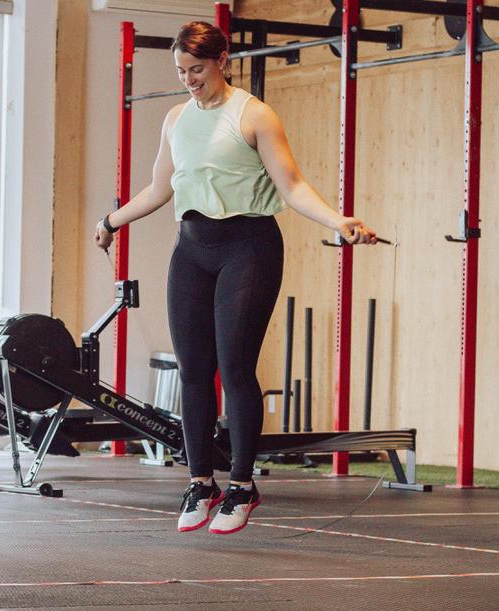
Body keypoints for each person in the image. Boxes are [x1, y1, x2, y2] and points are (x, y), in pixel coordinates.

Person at [93, 22, 378, 535]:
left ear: (222, 60)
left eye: (197, 70)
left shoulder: (254, 115)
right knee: (192, 371)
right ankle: (201, 482)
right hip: (191, 249)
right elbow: (159, 188)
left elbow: (292, 185)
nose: (189, 80)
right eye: (181, 71)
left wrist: (338, 221)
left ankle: (243, 486)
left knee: (235, 367)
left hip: (248, 248)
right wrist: (111, 221)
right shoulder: (176, 119)